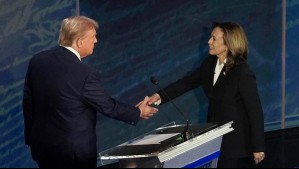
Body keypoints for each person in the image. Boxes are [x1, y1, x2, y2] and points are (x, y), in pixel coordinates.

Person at [22, 16, 158, 168]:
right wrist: (137, 112)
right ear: (79, 41)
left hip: (42, 147)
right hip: (73, 154)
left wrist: (31, 138)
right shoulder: (84, 73)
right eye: (93, 36)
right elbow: (107, 106)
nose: (96, 41)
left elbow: (28, 103)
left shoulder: (38, 60)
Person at [147, 22, 265, 168]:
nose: (209, 42)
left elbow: (255, 111)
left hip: (236, 144)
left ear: (228, 43)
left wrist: (258, 146)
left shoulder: (242, 73)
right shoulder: (209, 64)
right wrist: (159, 96)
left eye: (214, 38)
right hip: (215, 139)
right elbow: (186, 83)